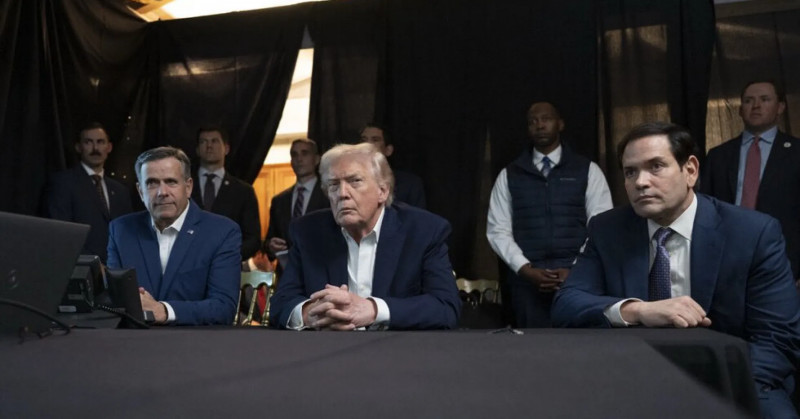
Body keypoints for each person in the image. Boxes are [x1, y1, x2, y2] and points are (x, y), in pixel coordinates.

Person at [551, 122, 800, 418]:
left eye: (655, 166)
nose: (641, 182)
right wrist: (638, 310)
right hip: (633, 380)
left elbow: (778, 339)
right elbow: (566, 305)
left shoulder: (752, 233)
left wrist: (705, 392)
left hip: (738, 381)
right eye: (630, 172)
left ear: (690, 170)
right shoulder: (607, 230)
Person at [269, 143, 461, 330]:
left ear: (382, 191)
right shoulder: (307, 232)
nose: (342, 194)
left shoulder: (424, 231)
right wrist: (311, 313)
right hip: (327, 346)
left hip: (397, 348)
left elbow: (445, 306)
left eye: (355, 181)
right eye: (333, 185)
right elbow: (281, 304)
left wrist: (374, 310)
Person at [486, 102, 612, 327]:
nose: (539, 125)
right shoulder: (510, 175)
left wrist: (575, 269)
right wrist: (525, 269)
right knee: (532, 346)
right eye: (533, 121)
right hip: (527, 281)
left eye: (546, 119)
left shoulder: (587, 170)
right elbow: (498, 230)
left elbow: (601, 226)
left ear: (560, 124)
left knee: (581, 343)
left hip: (579, 279)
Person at [107, 146, 241, 325]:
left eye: (171, 182)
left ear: (188, 187)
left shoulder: (222, 232)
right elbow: (113, 300)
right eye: (152, 183)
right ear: (140, 191)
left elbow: (223, 308)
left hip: (195, 340)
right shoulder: (121, 230)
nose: (162, 192)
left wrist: (164, 310)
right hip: (134, 338)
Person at [701, 79, 800, 281]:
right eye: (748, 101)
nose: (756, 106)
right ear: (740, 110)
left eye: (764, 99)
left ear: (780, 107)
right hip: (728, 258)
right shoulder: (718, 155)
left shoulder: (797, 152)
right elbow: (705, 210)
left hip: (785, 259)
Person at [45, 122, 133, 263]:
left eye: (100, 142)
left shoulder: (120, 190)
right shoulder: (63, 183)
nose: (95, 148)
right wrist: (92, 264)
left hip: (116, 268)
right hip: (78, 267)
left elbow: (126, 233)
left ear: (109, 147)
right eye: (88, 142)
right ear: (78, 147)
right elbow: (61, 232)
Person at [252, 138, 328, 271]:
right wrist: (270, 245)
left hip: (321, 271)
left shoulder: (329, 195)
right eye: (294, 154)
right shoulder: (279, 200)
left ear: (316, 159)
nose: (299, 159)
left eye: (304, 153)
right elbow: (270, 239)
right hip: (287, 273)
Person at [190, 127, 261, 260]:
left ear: (226, 148)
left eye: (214, 141)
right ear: (197, 150)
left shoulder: (243, 191)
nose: (209, 146)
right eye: (203, 141)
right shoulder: (183, 188)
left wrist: (227, 257)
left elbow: (253, 239)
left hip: (228, 266)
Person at [360, 123, 426, 208]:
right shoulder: (348, 179)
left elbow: (417, 215)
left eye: (375, 140)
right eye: (363, 140)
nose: (367, 145)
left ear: (388, 150)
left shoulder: (410, 184)